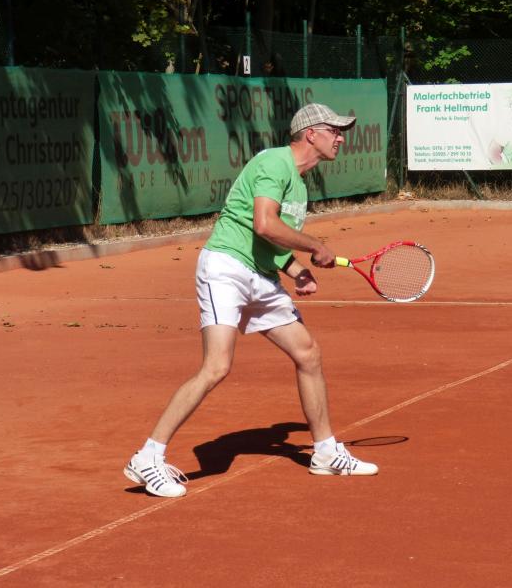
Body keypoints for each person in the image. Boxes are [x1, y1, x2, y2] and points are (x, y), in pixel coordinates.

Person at [123, 103, 378, 498]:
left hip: (260, 276)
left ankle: (326, 452)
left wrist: (297, 269)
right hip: (226, 268)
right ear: (311, 134)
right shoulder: (275, 163)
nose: (341, 138)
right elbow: (264, 223)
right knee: (216, 366)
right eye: (334, 130)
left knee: (308, 353)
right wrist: (315, 246)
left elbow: (269, 241)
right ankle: (147, 456)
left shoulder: (299, 185)